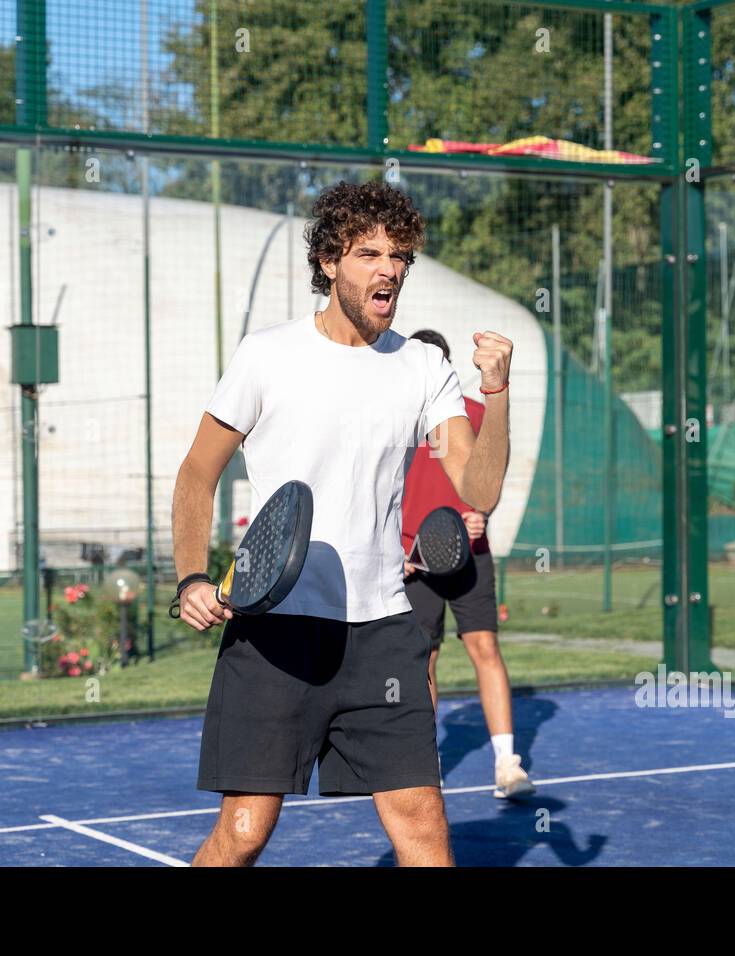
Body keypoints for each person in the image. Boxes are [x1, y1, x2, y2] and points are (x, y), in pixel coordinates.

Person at [170, 181, 514, 867]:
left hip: (385, 632)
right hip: (277, 633)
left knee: (422, 825)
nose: (388, 269)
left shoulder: (424, 367)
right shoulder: (266, 356)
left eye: (399, 257)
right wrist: (190, 577)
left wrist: (496, 393)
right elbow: (195, 476)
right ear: (330, 262)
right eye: (368, 253)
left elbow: (479, 488)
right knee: (243, 834)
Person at [401, 330, 535, 801]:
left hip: (470, 558)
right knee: (424, 661)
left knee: (485, 648)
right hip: (412, 566)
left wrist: (483, 513)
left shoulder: (472, 415)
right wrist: (395, 550)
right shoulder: (394, 420)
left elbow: (490, 477)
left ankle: (507, 764)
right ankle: (425, 765)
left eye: (435, 360)